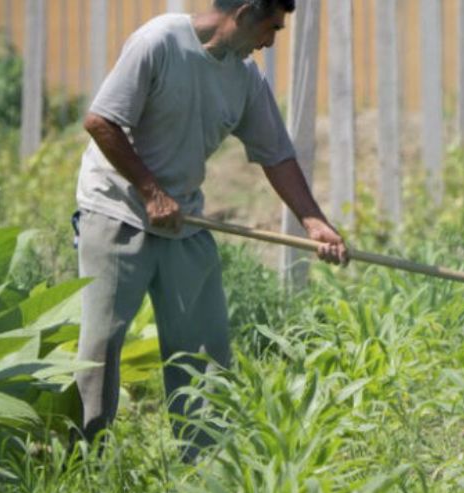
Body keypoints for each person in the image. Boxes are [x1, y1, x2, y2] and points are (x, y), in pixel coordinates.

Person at [74, 0, 347, 458]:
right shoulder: (158, 42)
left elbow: (276, 153)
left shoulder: (244, 77)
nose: (270, 41)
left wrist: (313, 221)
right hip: (117, 210)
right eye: (271, 27)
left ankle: (204, 470)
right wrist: (150, 191)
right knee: (100, 350)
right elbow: (101, 122)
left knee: (203, 353)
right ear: (242, 14)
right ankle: (82, 463)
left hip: (184, 220)